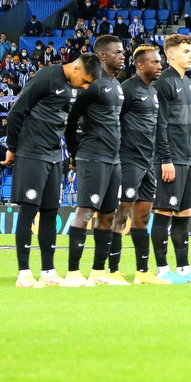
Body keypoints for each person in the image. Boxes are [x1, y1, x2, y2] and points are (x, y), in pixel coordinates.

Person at [7, 55, 100, 288]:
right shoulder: (46, 77)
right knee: (28, 211)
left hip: (52, 155)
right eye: (86, 81)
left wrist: (71, 152)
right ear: (76, 67)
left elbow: (65, 124)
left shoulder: (71, 87)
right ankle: (24, 273)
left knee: (50, 212)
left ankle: (48, 271)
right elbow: (17, 111)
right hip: (31, 152)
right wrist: (12, 147)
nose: (85, 86)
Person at [64, 35, 127, 287]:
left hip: (113, 158)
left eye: (123, 51)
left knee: (108, 216)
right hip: (92, 155)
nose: (123, 55)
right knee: (85, 211)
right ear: (103, 55)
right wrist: (74, 151)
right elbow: (71, 119)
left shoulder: (116, 84)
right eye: (118, 51)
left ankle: (98, 272)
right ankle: (72, 273)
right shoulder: (93, 84)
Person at [110, 44, 170, 285]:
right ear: (141, 65)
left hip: (148, 163)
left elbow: (158, 129)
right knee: (121, 215)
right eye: (155, 62)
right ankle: (112, 270)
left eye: (160, 62)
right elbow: (113, 121)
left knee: (142, 218)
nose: (160, 66)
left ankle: (142, 272)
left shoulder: (153, 92)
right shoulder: (128, 89)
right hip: (128, 161)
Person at [151, 34, 191, 284]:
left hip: (186, 158)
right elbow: (158, 124)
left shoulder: (189, 84)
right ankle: (163, 270)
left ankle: (183, 268)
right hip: (169, 158)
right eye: (185, 51)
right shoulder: (164, 82)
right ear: (171, 54)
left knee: (183, 213)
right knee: (164, 211)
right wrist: (165, 159)